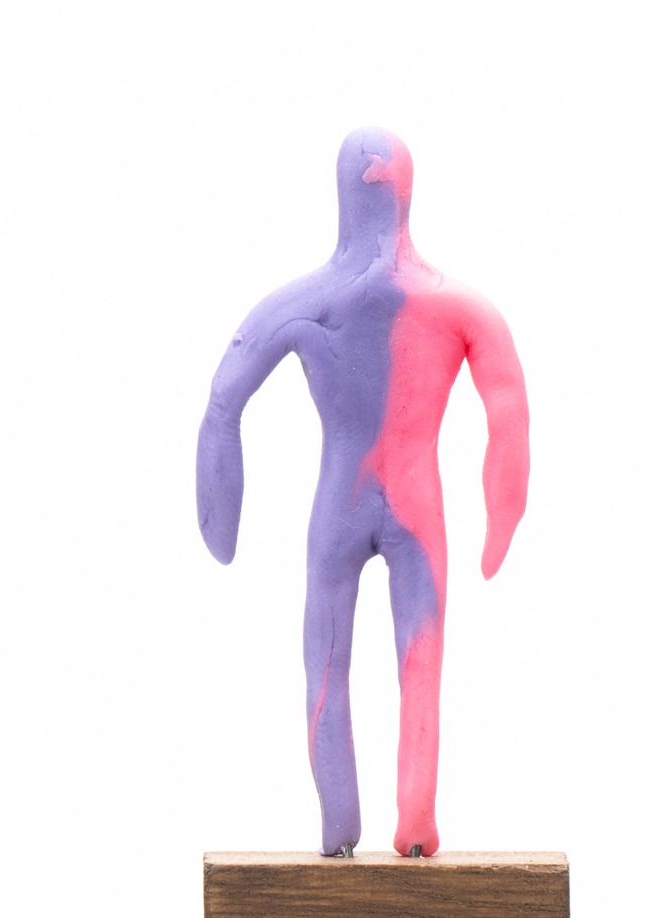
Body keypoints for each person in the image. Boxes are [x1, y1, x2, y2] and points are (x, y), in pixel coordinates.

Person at [196, 127, 529, 857]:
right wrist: (500, 520)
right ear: (409, 191)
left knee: (326, 659)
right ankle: (416, 819)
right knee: (421, 658)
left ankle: (338, 825)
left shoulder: (304, 302)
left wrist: (220, 521)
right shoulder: (458, 306)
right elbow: (507, 405)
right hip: (418, 506)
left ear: (342, 194)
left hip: (339, 504)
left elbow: (224, 401)